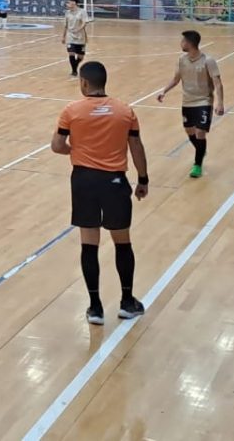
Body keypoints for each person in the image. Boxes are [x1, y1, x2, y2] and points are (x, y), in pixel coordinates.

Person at [51, 60, 148, 325]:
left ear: (83, 82)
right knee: (122, 242)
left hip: (83, 180)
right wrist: (143, 179)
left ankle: (95, 307)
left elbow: (57, 145)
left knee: (89, 243)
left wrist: (76, 150)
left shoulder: (71, 111)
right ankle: (127, 302)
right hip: (115, 182)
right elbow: (136, 146)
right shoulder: (125, 111)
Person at [155, 29, 225, 178]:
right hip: (187, 101)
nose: (181, 43)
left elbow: (218, 84)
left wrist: (220, 103)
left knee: (200, 132)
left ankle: (197, 165)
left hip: (204, 101)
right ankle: (201, 149)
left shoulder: (208, 61)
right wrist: (164, 91)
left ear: (189, 43)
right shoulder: (181, 60)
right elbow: (175, 79)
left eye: (183, 41)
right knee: (189, 131)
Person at [62, 0, 93, 78]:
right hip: (70, 36)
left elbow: (84, 22)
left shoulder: (82, 12)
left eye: (68, 2)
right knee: (71, 53)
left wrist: (78, 29)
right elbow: (65, 25)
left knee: (80, 56)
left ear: (74, 3)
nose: (67, 4)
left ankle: (75, 66)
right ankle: (74, 71)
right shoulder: (67, 13)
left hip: (80, 36)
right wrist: (63, 36)